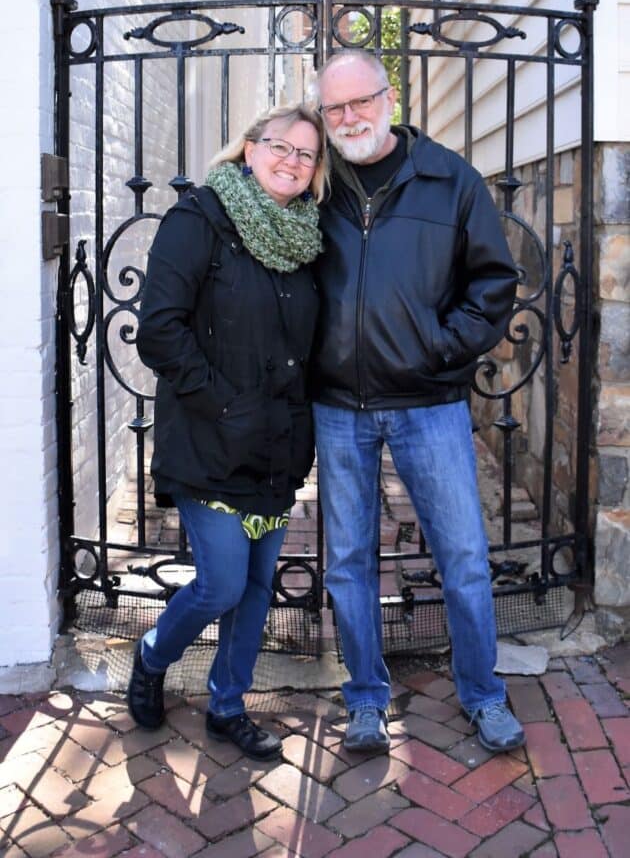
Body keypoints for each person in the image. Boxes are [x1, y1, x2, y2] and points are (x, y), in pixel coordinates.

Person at [311, 50, 525, 755]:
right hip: (339, 405)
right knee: (347, 560)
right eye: (334, 109)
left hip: (428, 402)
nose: (349, 119)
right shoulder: (316, 184)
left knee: (462, 553)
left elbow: (493, 282)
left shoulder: (449, 179)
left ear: (390, 97)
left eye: (360, 102)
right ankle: (365, 699)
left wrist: (440, 347)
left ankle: (484, 693)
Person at [127, 104, 328, 761]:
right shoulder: (200, 219)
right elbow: (160, 328)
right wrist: (225, 405)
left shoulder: (306, 241)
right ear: (248, 149)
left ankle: (227, 705)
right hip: (210, 441)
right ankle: (154, 654)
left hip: (276, 449)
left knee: (256, 586)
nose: (291, 161)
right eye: (280, 146)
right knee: (219, 583)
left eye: (306, 154)